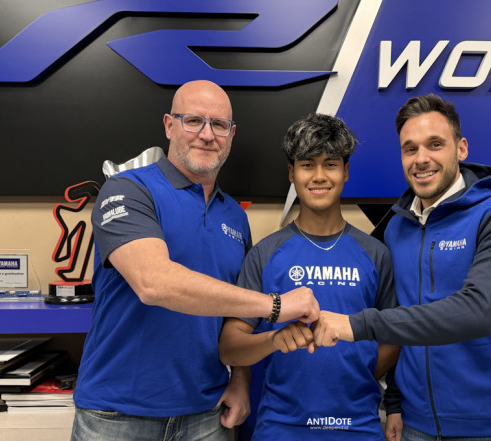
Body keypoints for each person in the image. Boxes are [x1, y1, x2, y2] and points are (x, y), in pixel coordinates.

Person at [71, 80, 319, 441]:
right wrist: (275, 305)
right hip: (117, 414)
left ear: (231, 135)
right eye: (193, 121)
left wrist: (240, 379)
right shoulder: (129, 190)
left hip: (206, 414)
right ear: (169, 125)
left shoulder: (235, 217)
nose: (207, 135)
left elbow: (236, 316)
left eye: (218, 125)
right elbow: (153, 282)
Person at [312, 94, 491, 441]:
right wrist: (395, 401)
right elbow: (400, 317)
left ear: (461, 148)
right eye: (410, 149)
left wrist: (357, 325)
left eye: (435, 144)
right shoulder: (397, 228)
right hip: (416, 426)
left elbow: (478, 312)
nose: (421, 159)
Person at [218, 113, 400, 440]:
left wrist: (354, 373)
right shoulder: (264, 254)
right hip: (281, 429)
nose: (319, 176)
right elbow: (230, 346)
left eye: (330, 164)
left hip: (358, 427)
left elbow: (393, 337)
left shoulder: (376, 254)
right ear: (291, 173)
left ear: (346, 171)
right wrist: (273, 340)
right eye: (307, 165)